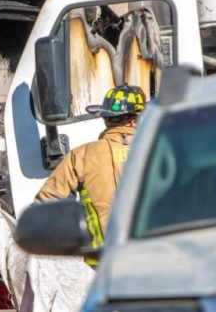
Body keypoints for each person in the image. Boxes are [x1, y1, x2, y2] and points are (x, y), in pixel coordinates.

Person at [35, 84, 146, 252]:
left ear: (106, 119)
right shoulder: (159, 151)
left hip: (103, 262)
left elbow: (44, 207)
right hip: (160, 259)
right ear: (135, 121)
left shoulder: (81, 156)